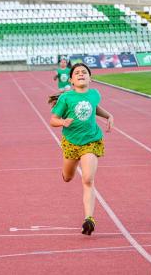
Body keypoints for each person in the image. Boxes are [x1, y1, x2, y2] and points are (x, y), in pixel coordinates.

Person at [49, 63, 114, 235]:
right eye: (76, 72)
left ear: (90, 78)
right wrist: (62, 122)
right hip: (71, 142)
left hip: (91, 141)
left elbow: (94, 108)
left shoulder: (94, 94)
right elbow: (53, 120)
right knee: (68, 177)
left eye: (84, 72)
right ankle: (66, 172)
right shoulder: (66, 98)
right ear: (71, 80)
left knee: (88, 179)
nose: (80, 74)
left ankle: (89, 219)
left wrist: (108, 115)